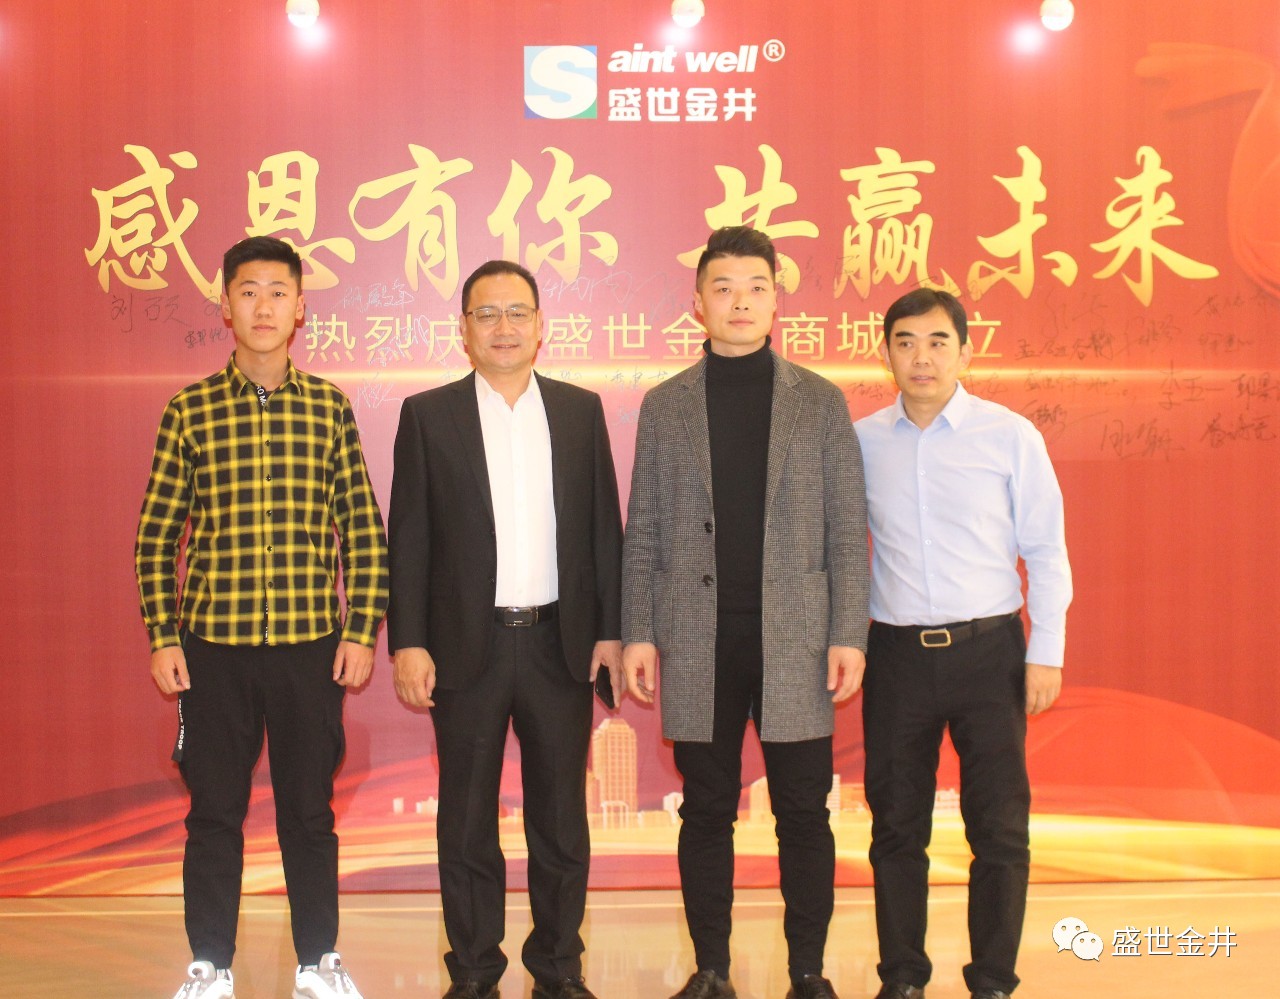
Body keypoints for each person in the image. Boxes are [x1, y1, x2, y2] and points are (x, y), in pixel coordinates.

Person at [136, 236, 390, 999]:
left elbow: (362, 529)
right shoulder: (190, 410)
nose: (264, 306)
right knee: (214, 812)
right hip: (213, 649)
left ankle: (319, 961)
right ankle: (210, 965)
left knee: (309, 812)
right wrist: (163, 636)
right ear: (225, 305)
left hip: (310, 648)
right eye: (248, 291)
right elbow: (156, 535)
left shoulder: (328, 406)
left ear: (301, 307)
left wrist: (360, 629)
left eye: (279, 291)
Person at [622, 226, 869, 999]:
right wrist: (638, 631)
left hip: (797, 639)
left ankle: (808, 973)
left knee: (803, 812)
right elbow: (643, 529)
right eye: (723, 287)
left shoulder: (819, 402)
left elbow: (846, 530)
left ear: (775, 299)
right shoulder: (666, 405)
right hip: (699, 639)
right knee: (705, 810)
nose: (740, 301)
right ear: (698, 302)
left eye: (755, 286)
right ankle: (712, 970)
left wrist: (848, 633)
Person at [387, 260, 623, 999]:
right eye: (486, 314)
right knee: (466, 824)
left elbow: (603, 532)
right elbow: (409, 539)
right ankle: (474, 972)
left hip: (560, 645)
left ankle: (558, 969)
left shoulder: (580, 412)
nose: (503, 327)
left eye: (517, 312)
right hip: (467, 649)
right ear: (463, 330)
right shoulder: (429, 415)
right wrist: (408, 641)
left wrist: (610, 631)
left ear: (541, 324)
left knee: (561, 823)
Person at [855, 288, 1072, 999]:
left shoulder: (1010, 435)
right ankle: (902, 977)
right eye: (906, 342)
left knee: (1000, 827)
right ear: (885, 353)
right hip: (896, 655)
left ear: (966, 351)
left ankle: (994, 980)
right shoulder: (860, 441)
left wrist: (1046, 651)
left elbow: (1046, 550)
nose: (922, 357)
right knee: (896, 828)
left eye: (938, 341)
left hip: (990, 654)